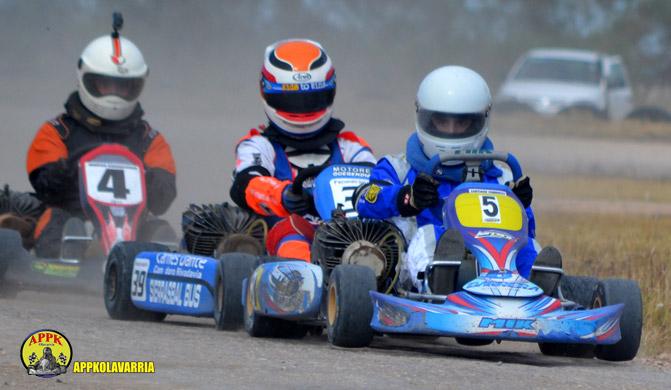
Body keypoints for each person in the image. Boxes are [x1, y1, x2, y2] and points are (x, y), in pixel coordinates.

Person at [355, 66, 538, 291]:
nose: (451, 130)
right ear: (425, 117)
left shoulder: (501, 176)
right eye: (442, 122)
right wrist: (406, 198)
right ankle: (437, 285)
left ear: (480, 121)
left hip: (493, 262)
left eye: (461, 123)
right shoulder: (398, 167)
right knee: (430, 235)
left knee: (530, 246)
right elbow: (365, 200)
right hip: (413, 266)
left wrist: (520, 208)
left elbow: (525, 233)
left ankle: (540, 289)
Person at [25, 15, 176, 258]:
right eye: (106, 85)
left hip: (132, 226)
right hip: (74, 216)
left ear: (137, 86)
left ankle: (134, 263)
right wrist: (67, 172)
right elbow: (45, 187)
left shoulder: (149, 139)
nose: (114, 94)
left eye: (122, 86)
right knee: (58, 220)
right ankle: (78, 252)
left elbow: (162, 199)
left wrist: (149, 181)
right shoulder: (58, 131)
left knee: (161, 233)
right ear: (87, 79)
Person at [230, 39, 375, 262]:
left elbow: (375, 182)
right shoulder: (259, 144)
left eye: (311, 99)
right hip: (280, 243)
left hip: (348, 238)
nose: (302, 110)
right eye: (292, 100)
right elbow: (247, 183)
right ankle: (303, 281)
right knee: (292, 232)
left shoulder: (349, 146)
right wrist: (284, 195)